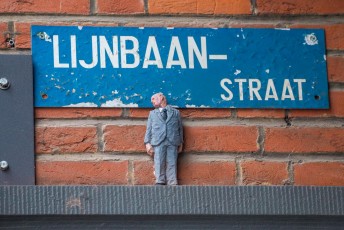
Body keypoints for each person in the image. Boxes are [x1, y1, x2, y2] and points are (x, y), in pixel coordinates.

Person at [144, 93, 183, 185]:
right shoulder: (152, 114)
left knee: (172, 161)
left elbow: (179, 128)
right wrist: (147, 143)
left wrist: (181, 142)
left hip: (173, 140)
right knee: (159, 161)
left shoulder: (175, 112)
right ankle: (160, 180)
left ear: (161, 98)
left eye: (154, 99)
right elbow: (148, 129)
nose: (152, 101)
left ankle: (172, 180)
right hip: (158, 141)